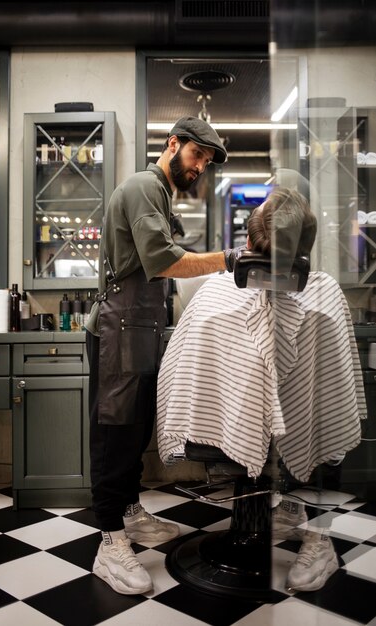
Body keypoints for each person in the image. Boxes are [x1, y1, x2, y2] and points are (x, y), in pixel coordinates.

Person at [157, 187, 367, 591]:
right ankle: (303, 523)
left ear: (247, 241)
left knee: (322, 424)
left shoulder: (218, 291)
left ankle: (317, 539)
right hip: (241, 427)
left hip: (256, 425)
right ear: (308, 246)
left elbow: (176, 374)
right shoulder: (324, 292)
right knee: (323, 431)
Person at [85, 116, 243, 595]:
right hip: (119, 332)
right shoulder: (142, 186)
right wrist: (229, 258)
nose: (201, 167)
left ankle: (131, 514)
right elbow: (166, 261)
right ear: (173, 144)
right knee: (115, 436)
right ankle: (110, 544)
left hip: (144, 332)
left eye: (208, 162)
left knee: (136, 433)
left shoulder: (162, 196)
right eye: (197, 155)